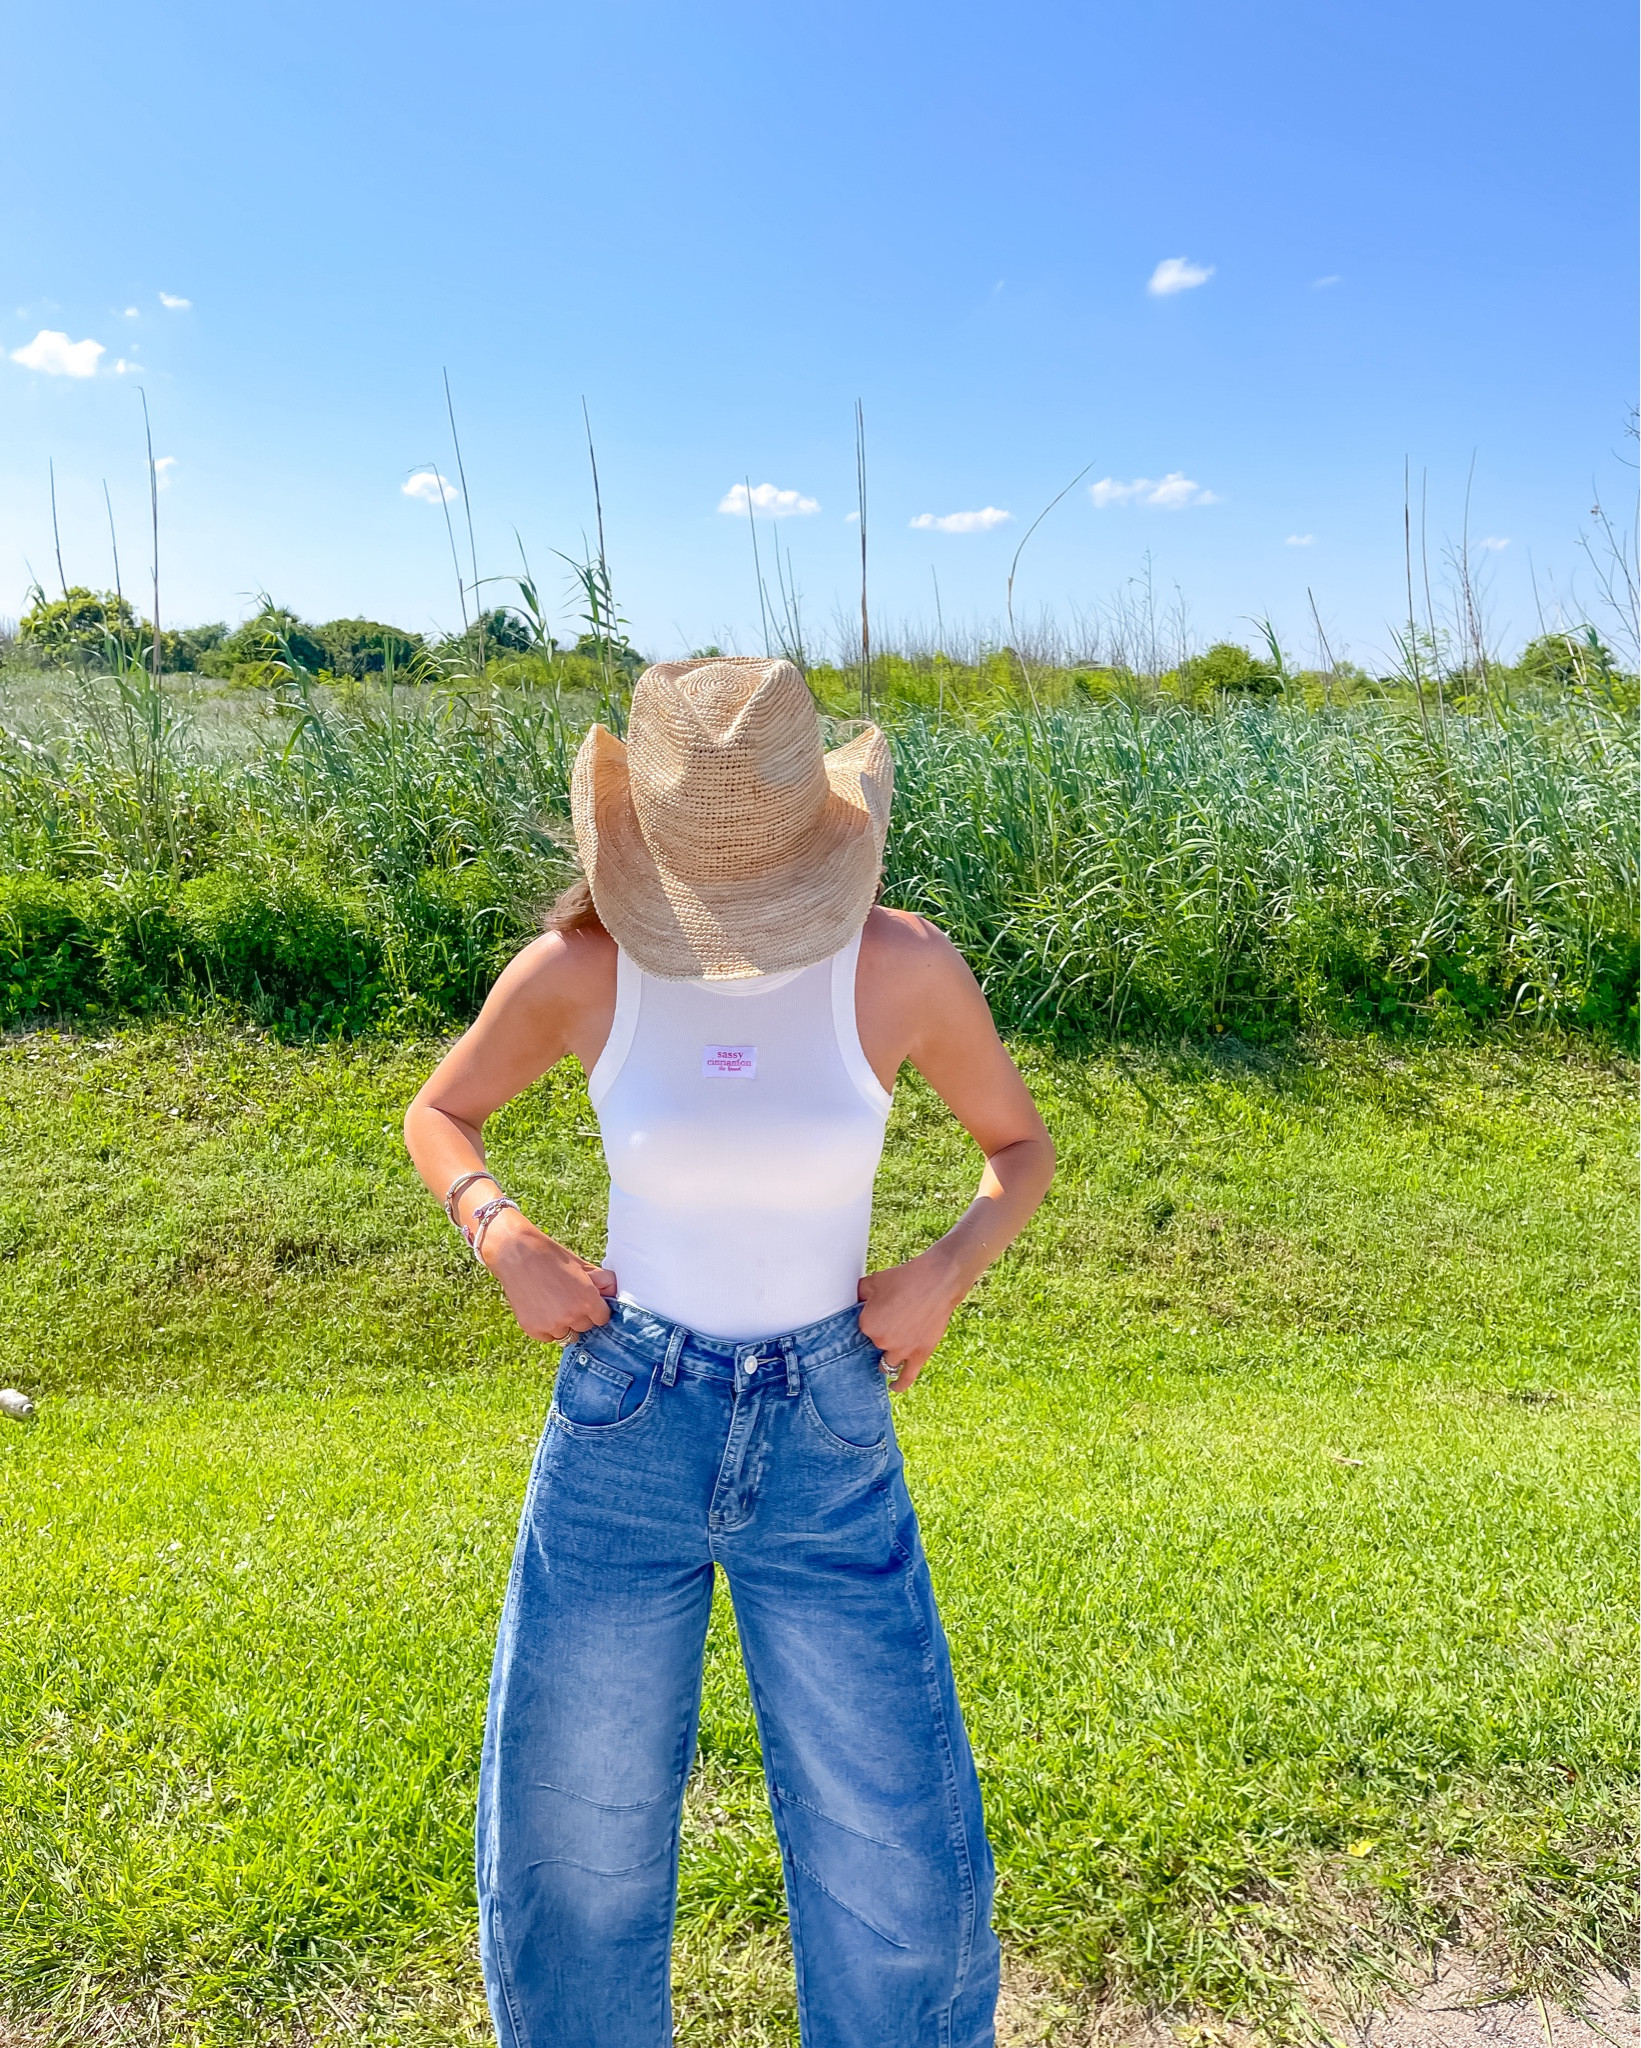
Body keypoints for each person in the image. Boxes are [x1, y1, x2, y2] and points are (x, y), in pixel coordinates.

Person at [404, 656, 1054, 2048]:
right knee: (574, 1837)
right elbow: (439, 1114)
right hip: (626, 1419)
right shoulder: (583, 969)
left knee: (895, 1846)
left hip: (826, 1423)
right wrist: (502, 1232)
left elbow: (1020, 1146)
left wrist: (942, 1273)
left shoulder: (901, 965)